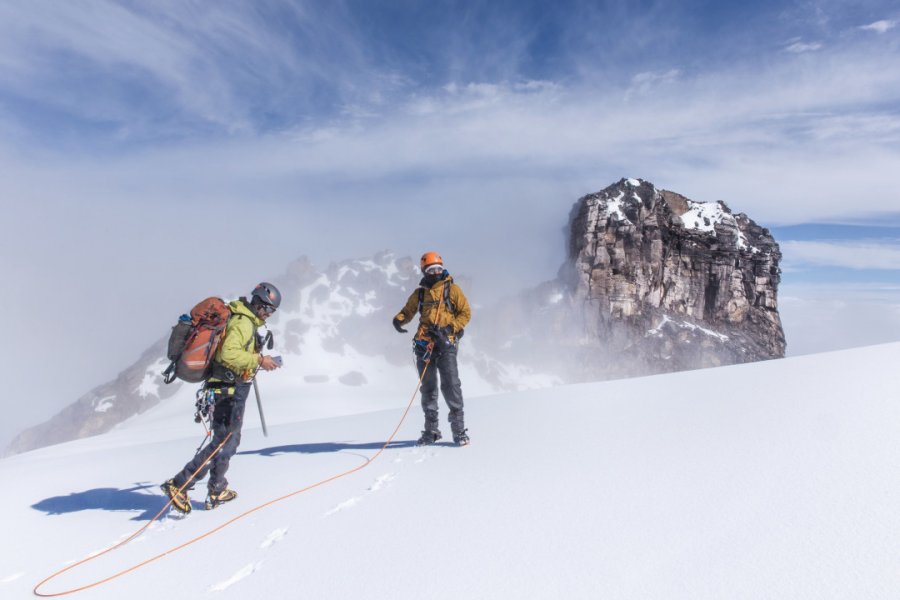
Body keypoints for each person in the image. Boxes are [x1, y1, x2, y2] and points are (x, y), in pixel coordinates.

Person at [161, 282, 283, 513]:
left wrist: (255, 357)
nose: (268, 314)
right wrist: (259, 361)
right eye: (267, 309)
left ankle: (217, 488)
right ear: (257, 303)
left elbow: (232, 351)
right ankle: (180, 483)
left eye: (271, 311)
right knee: (225, 440)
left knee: (227, 439)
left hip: (227, 386)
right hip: (229, 387)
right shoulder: (243, 323)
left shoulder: (243, 320)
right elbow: (229, 354)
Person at [393, 252, 472, 446]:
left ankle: (459, 431)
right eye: (431, 269)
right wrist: (399, 319)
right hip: (424, 346)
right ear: (424, 271)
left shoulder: (452, 290)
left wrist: (448, 328)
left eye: (438, 268)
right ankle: (431, 431)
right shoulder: (420, 293)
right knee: (428, 389)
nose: (436, 272)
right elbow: (408, 310)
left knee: (451, 385)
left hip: (446, 344)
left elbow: (465, 313)